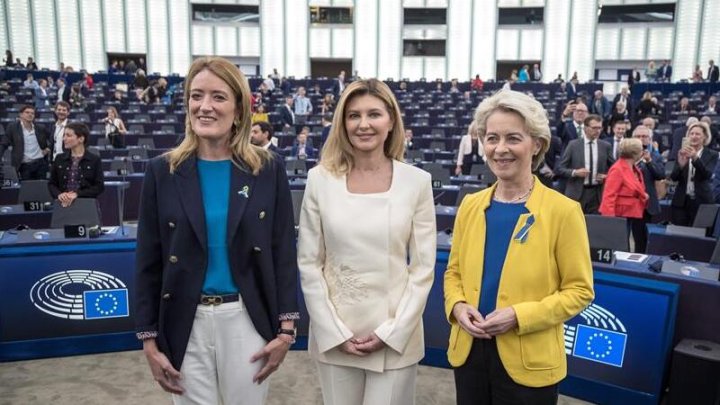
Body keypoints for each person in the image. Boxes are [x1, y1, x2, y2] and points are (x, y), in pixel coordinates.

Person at [135, 57, 298, 404]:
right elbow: (149, 261)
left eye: (218, 97)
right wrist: (149, 341)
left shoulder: (268, 169)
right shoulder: (161, 172)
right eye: (196, 96)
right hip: (183, 321)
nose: (204, 107)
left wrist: (286, 331)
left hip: (247, 319)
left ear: (239, 109)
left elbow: (283, 250)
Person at [444, 90, 594, 405]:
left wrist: (518, 315)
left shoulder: (563, 211)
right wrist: (457, 307)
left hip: (531, 361)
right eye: (491, 138)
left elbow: (580, 291)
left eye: (513, 138)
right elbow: (453, 272)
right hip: (469, 351)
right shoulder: (470, 205)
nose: (500, 149)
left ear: (536, 144)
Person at [298, 78, 436, 405]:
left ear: (391, 121)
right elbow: (309, 263)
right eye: (353, 115)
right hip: (337, 334)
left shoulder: (417, 182)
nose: (363, 124)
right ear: (342, 123)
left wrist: (393, 331)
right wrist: (333, 331)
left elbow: (423, 268)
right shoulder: (320, 180)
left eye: (373, 114)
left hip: (395, 337)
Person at [557, 114, 615, 214]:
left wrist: (606, 176)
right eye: (594, 128)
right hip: (576, 193)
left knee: (594, 226)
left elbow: (615, 169)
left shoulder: (606, 146)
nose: (597, 131)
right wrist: (575, 172)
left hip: (597, 194)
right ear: (585, 128)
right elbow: (560, 168)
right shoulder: (573, 145)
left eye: (599, 128)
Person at [599, 138, 648, 250]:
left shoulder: (632, 167)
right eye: (641, 149)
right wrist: (610, 221)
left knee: (625, 243)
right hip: (619, 216)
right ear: (635, 153)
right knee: (620, 245)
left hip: (630, 213)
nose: (643, 152)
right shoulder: (617, 169)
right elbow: (609, 196)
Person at [670, 122, 718, 226]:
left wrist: (695, 158)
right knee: (680, 235)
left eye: (697, 134)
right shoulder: (682, 152)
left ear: (705, 137)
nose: (694, 136)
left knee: (699, 235)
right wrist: (681, 165)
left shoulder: (712, 155)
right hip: (681, 201)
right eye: (691, 134)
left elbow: (707, 175)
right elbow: (673, 177)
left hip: (702, 200)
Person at [48, 122, 104, 207]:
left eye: (68, 135)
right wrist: (59, 195)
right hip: (62, 204)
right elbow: (52, 184)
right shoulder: (59, 158)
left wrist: (77, 194)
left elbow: (99, 187)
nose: (64, 139)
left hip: (86, 205)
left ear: (81, 139)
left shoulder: (94, 160)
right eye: (64, 135)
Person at [632, 125, 665, 253]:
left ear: (650, 139)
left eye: (644, 136)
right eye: (638, 136)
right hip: (631, 203)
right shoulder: (627, 155)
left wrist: (649, 161)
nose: (641, 139)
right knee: (636, 239)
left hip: (648, 205)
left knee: (648, 240)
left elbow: (660, 175)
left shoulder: (655, 156)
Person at [0, 105, 51, 180]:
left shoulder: (40, 128)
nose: (30, 114)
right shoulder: (13, 127)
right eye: (27, 112)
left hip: (40, 164)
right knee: (27, 189)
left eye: (32, 113)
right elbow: (4, 143)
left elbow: (53, 139)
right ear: (21, 114)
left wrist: (48, 149)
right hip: (23, 165)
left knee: (40, 189)